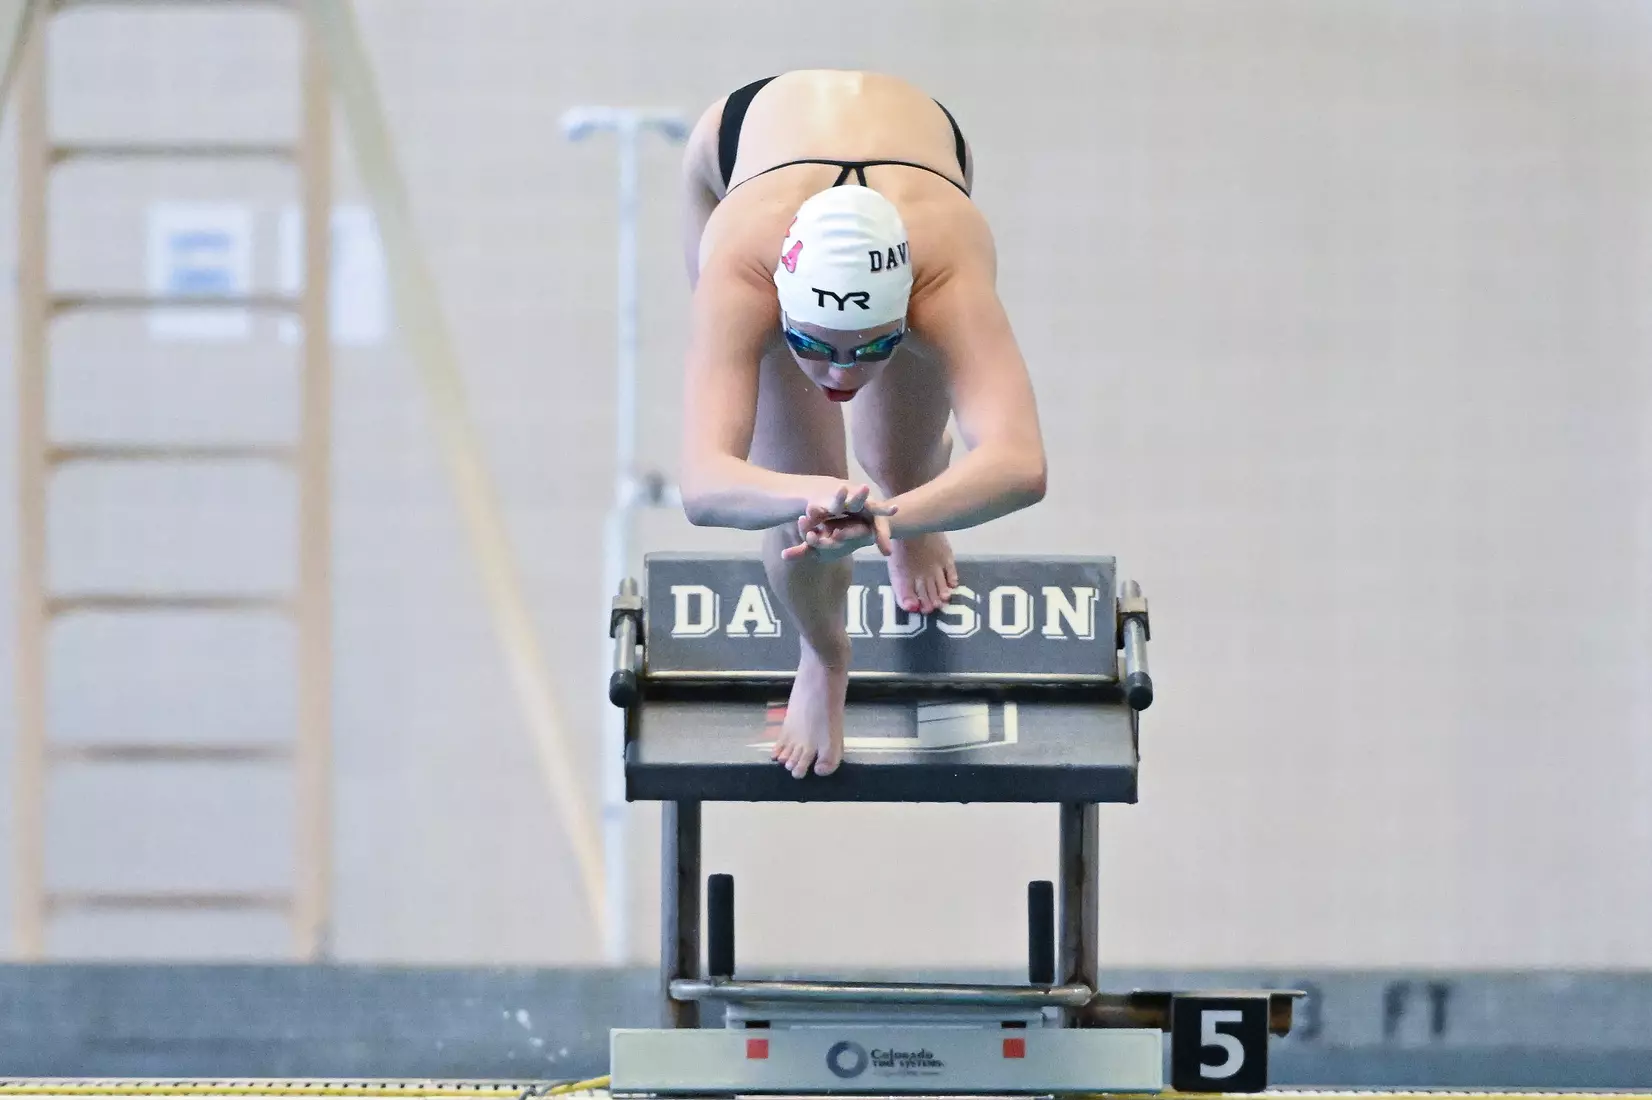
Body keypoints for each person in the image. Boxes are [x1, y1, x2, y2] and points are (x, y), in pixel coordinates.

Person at [678, 70, 1047, 779]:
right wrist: (804, 498)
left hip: (923, 162)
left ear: (908, 300)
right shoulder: (744, 271)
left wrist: (894, 517)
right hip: (739, 157)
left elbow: (1021, 463)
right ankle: (823, 655)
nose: (840, 376)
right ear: (782, 307)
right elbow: (704, 483)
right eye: (814, 345)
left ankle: (910, 489)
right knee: (797, 500)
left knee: (899, 459)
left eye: (874, 345)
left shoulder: (944, 268)